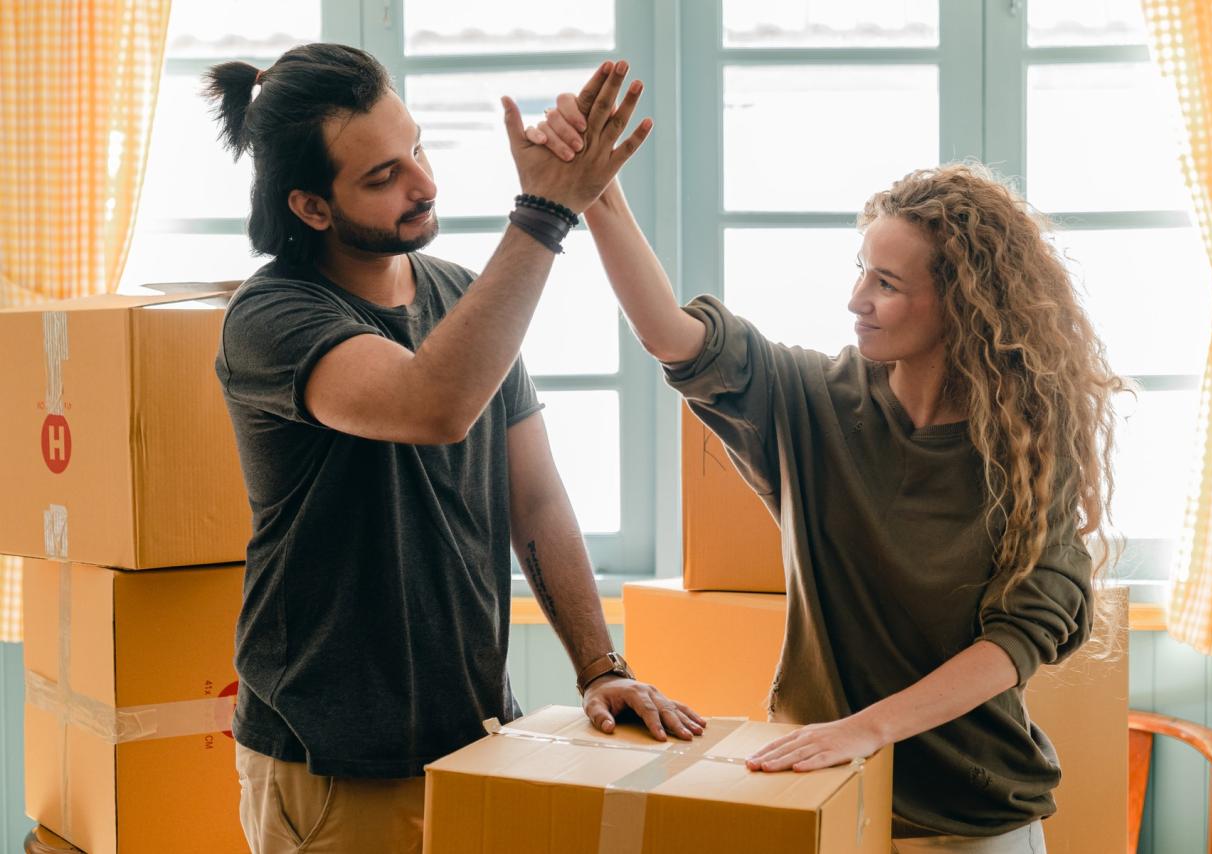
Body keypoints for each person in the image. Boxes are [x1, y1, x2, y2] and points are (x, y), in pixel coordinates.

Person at [529, 89, 1122, 852]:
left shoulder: (1028, 451)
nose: (855, 301)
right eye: (861, 271)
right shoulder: (810, 400)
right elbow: (675, 338)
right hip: (822, 796)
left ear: (964, 304)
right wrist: (599, 198)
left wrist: (865, 730)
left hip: (973, 821)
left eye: (886, 283)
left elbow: (1018, 640)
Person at [203, 47, 703, 853]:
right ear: (312, 207)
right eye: (381, 177)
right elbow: (432, 405)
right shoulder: (272, 319)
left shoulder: (464, 297)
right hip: (332, 763)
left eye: (419, 149)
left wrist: (600, 666)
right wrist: (543, 212)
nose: (424, 183)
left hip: (474, 737)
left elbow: (535, 498)